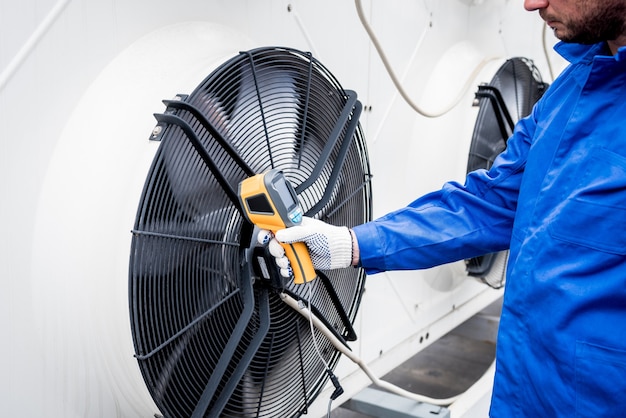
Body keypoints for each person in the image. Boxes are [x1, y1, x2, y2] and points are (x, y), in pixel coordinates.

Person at [265, 0, 626, 416]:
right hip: (524, 393)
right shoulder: (576, 86)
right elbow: (489, 204)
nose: (532, 4)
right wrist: (350, 244)